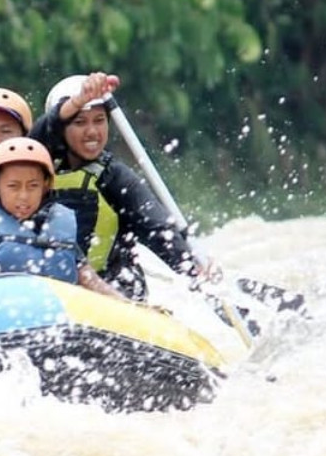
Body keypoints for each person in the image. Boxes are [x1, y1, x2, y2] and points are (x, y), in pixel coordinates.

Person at [29, 73, 208, 300]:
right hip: (53, 289)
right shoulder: (33, 168)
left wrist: (192, 265)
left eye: (99, 120)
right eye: (80, 122)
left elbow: (158, 227)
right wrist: (78, 100)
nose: (92, 131)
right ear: (60, 128)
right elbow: (39, 134)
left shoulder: (114, 177)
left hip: (113, 290)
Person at [0, 137, 125, 300]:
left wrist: (129, 306)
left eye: (33, 186)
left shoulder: (59, 230)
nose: (23, 196)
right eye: (13, 186)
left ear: (45, 186)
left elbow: (89, 279)